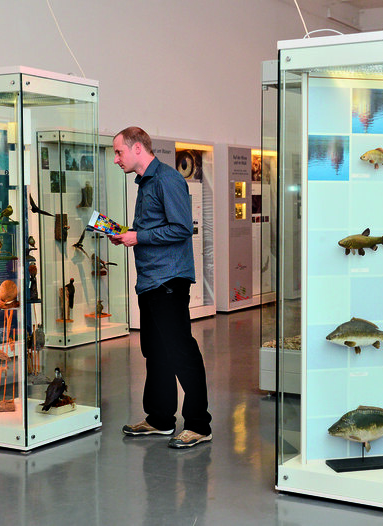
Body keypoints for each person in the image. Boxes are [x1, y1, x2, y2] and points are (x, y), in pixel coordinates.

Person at [110, 126, 212, 448]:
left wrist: (137, 236)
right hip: (150, 281)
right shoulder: (146, 183)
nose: (116, 159)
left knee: (181, 351)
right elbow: (155, 227)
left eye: (119, 152)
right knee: (155, 351)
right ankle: (160, 419)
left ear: (137, 148)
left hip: (168, 281)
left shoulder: (168, 179)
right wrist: (128, 234)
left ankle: (199, 424)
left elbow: (182, 229)